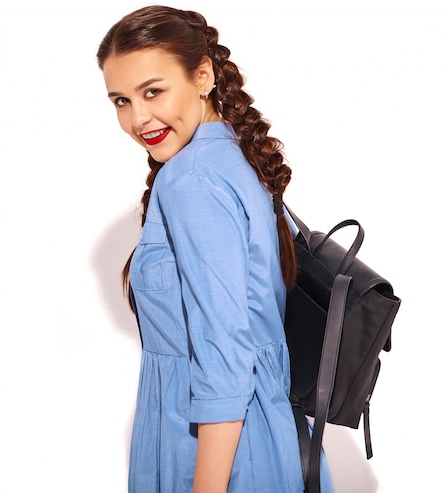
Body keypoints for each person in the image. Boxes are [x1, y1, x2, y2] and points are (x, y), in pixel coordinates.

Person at [97, 6, 334, 493]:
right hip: (266, 432)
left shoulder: (191, 179)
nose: (138, 118)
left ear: (202, 75)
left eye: (153, 91)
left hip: (215, 450)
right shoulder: (233, 154)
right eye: (121, 100)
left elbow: (223, 355)